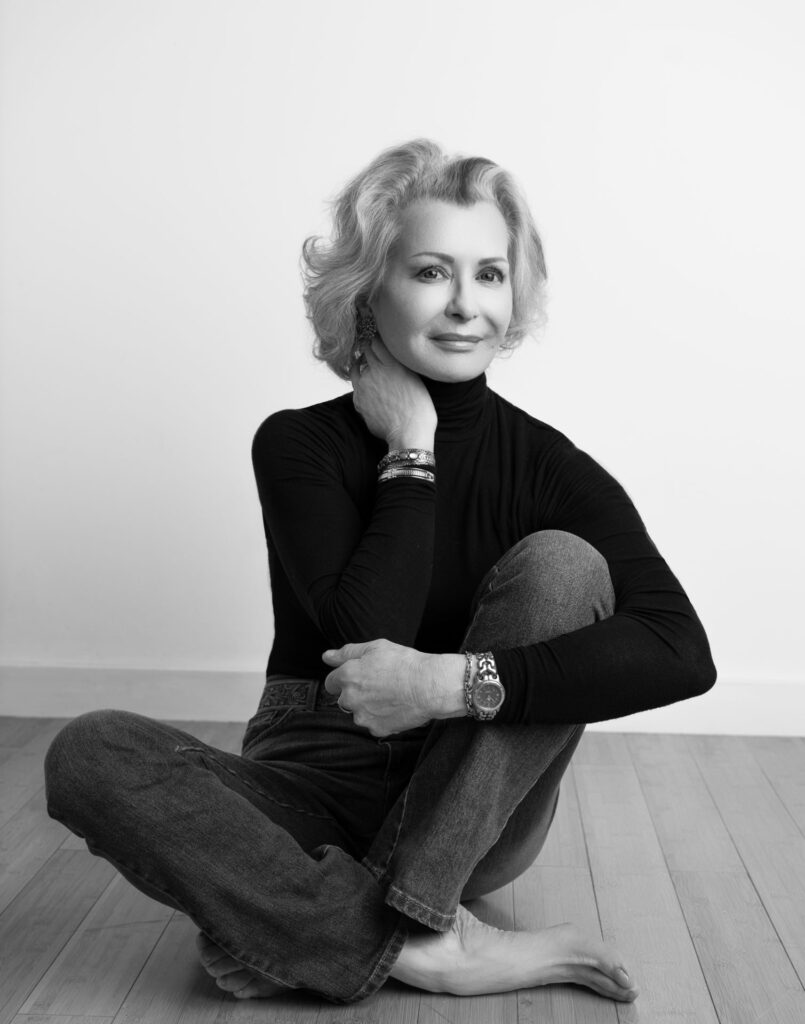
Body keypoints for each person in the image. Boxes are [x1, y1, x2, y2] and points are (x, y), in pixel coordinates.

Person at [44, 139, 716, 1006]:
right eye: (431, 272)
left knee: (564, 566)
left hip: (476, 806)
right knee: (89, 750)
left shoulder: (551, 468)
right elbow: (363, 638)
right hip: (311, 782)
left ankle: (329, 921)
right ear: (369, 288)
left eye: (490, 275)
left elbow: (678, 651)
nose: (466, 305)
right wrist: (411, 450)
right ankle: (421, 938)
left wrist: (450, 684)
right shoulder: (299, 444)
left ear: (515, 295)